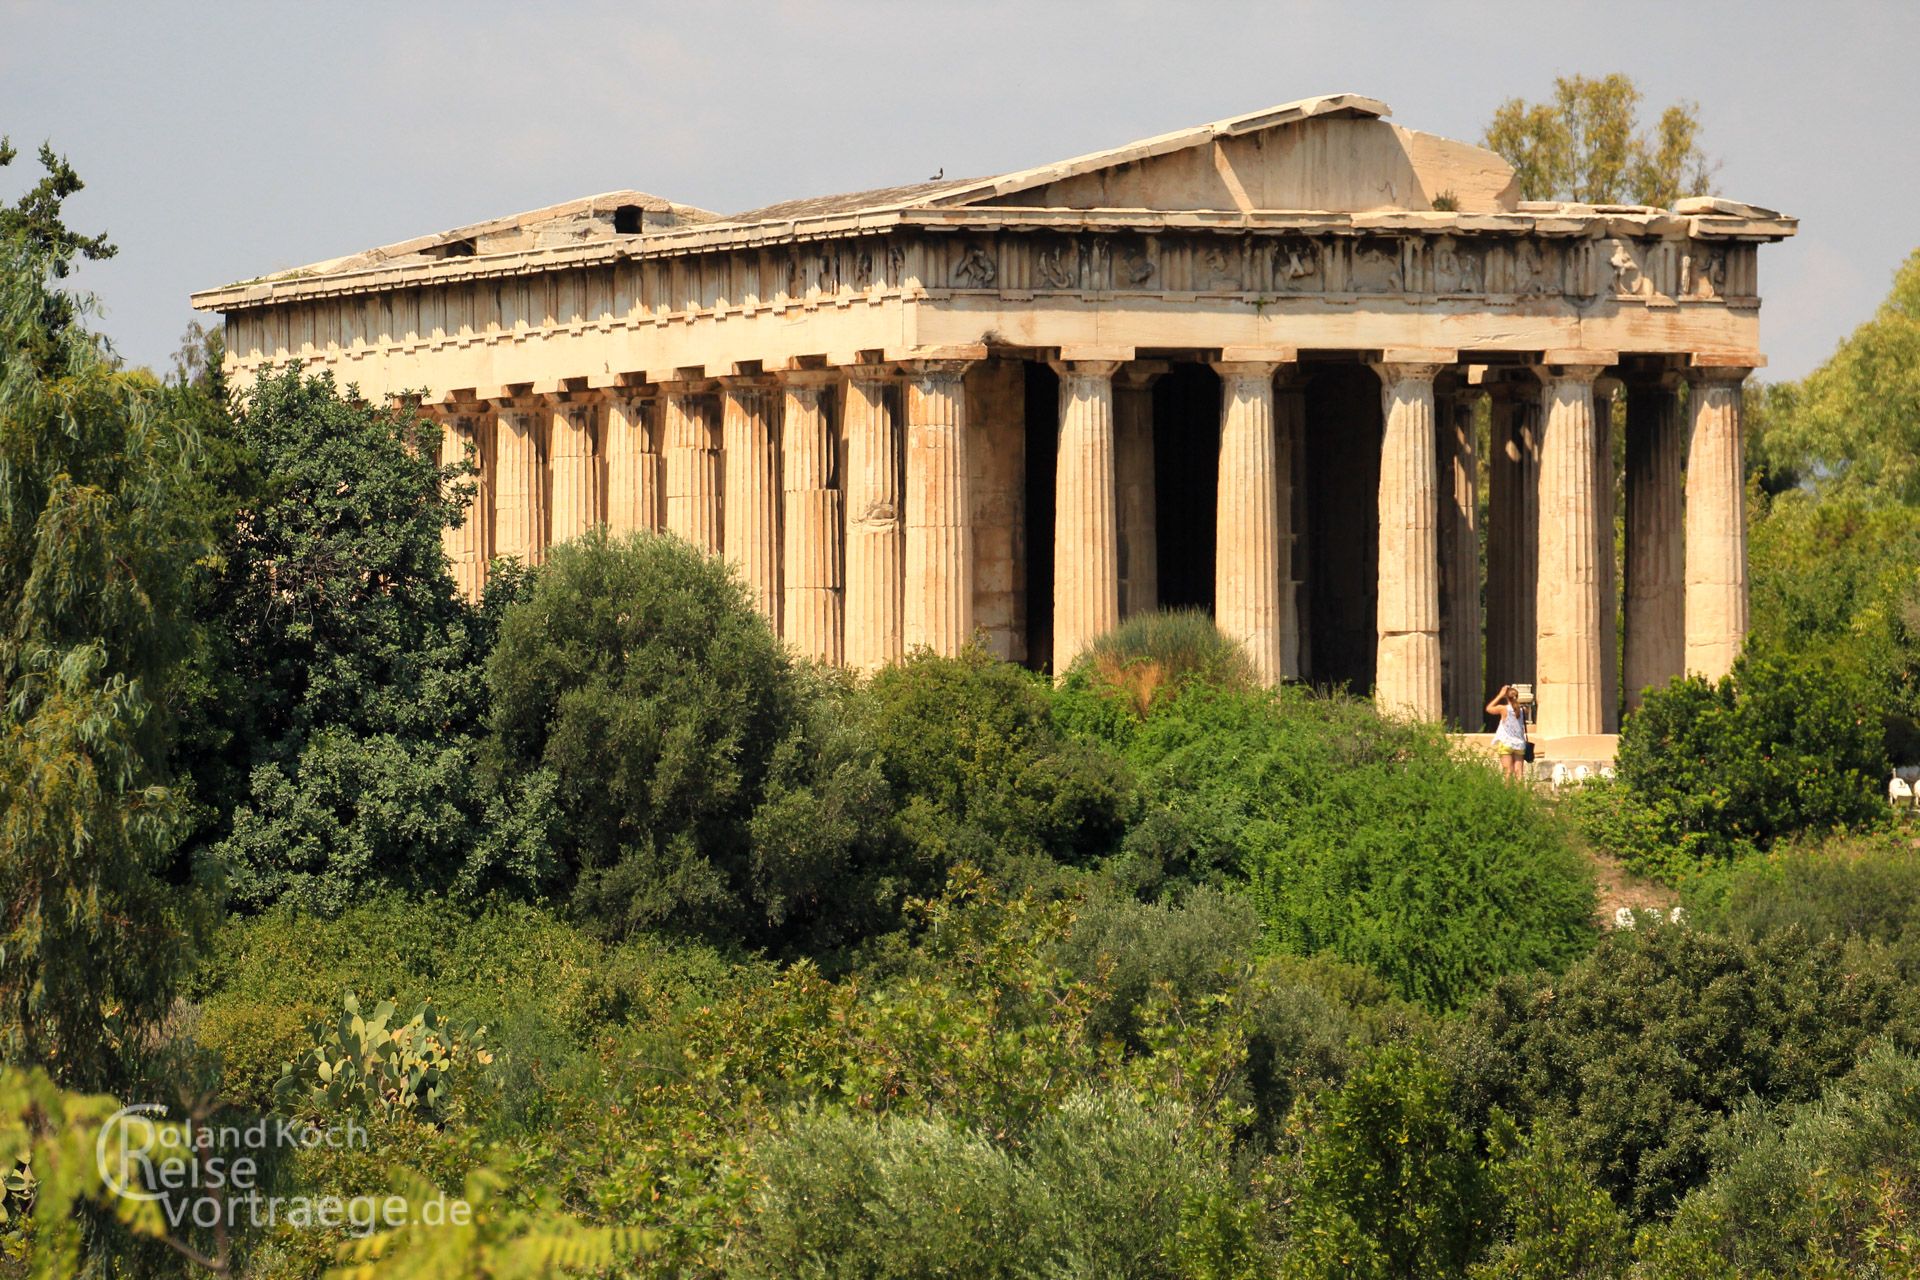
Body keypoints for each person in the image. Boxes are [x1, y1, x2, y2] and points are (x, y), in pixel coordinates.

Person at [1486, 684, 1529, 781]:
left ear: (1506, 697)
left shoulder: (1503, 708)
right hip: (1519, 744)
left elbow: (1489, 708)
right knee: (1519, 774)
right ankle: (1520, 795)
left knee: (1508, 773)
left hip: (1506, 743)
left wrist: (1500, 695)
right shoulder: (1523, 710)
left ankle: (1508, 795)